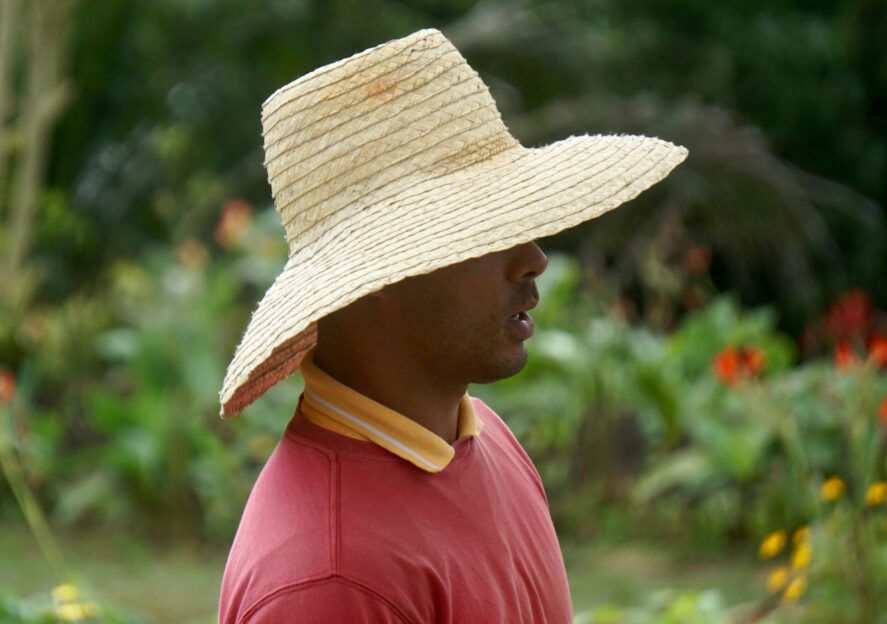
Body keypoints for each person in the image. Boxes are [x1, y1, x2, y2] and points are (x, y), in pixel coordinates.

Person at [217, 28, 687, 623]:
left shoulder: (486, 440)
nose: (534, 258)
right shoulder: (330, 582)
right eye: (483, 233)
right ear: (380, 271)